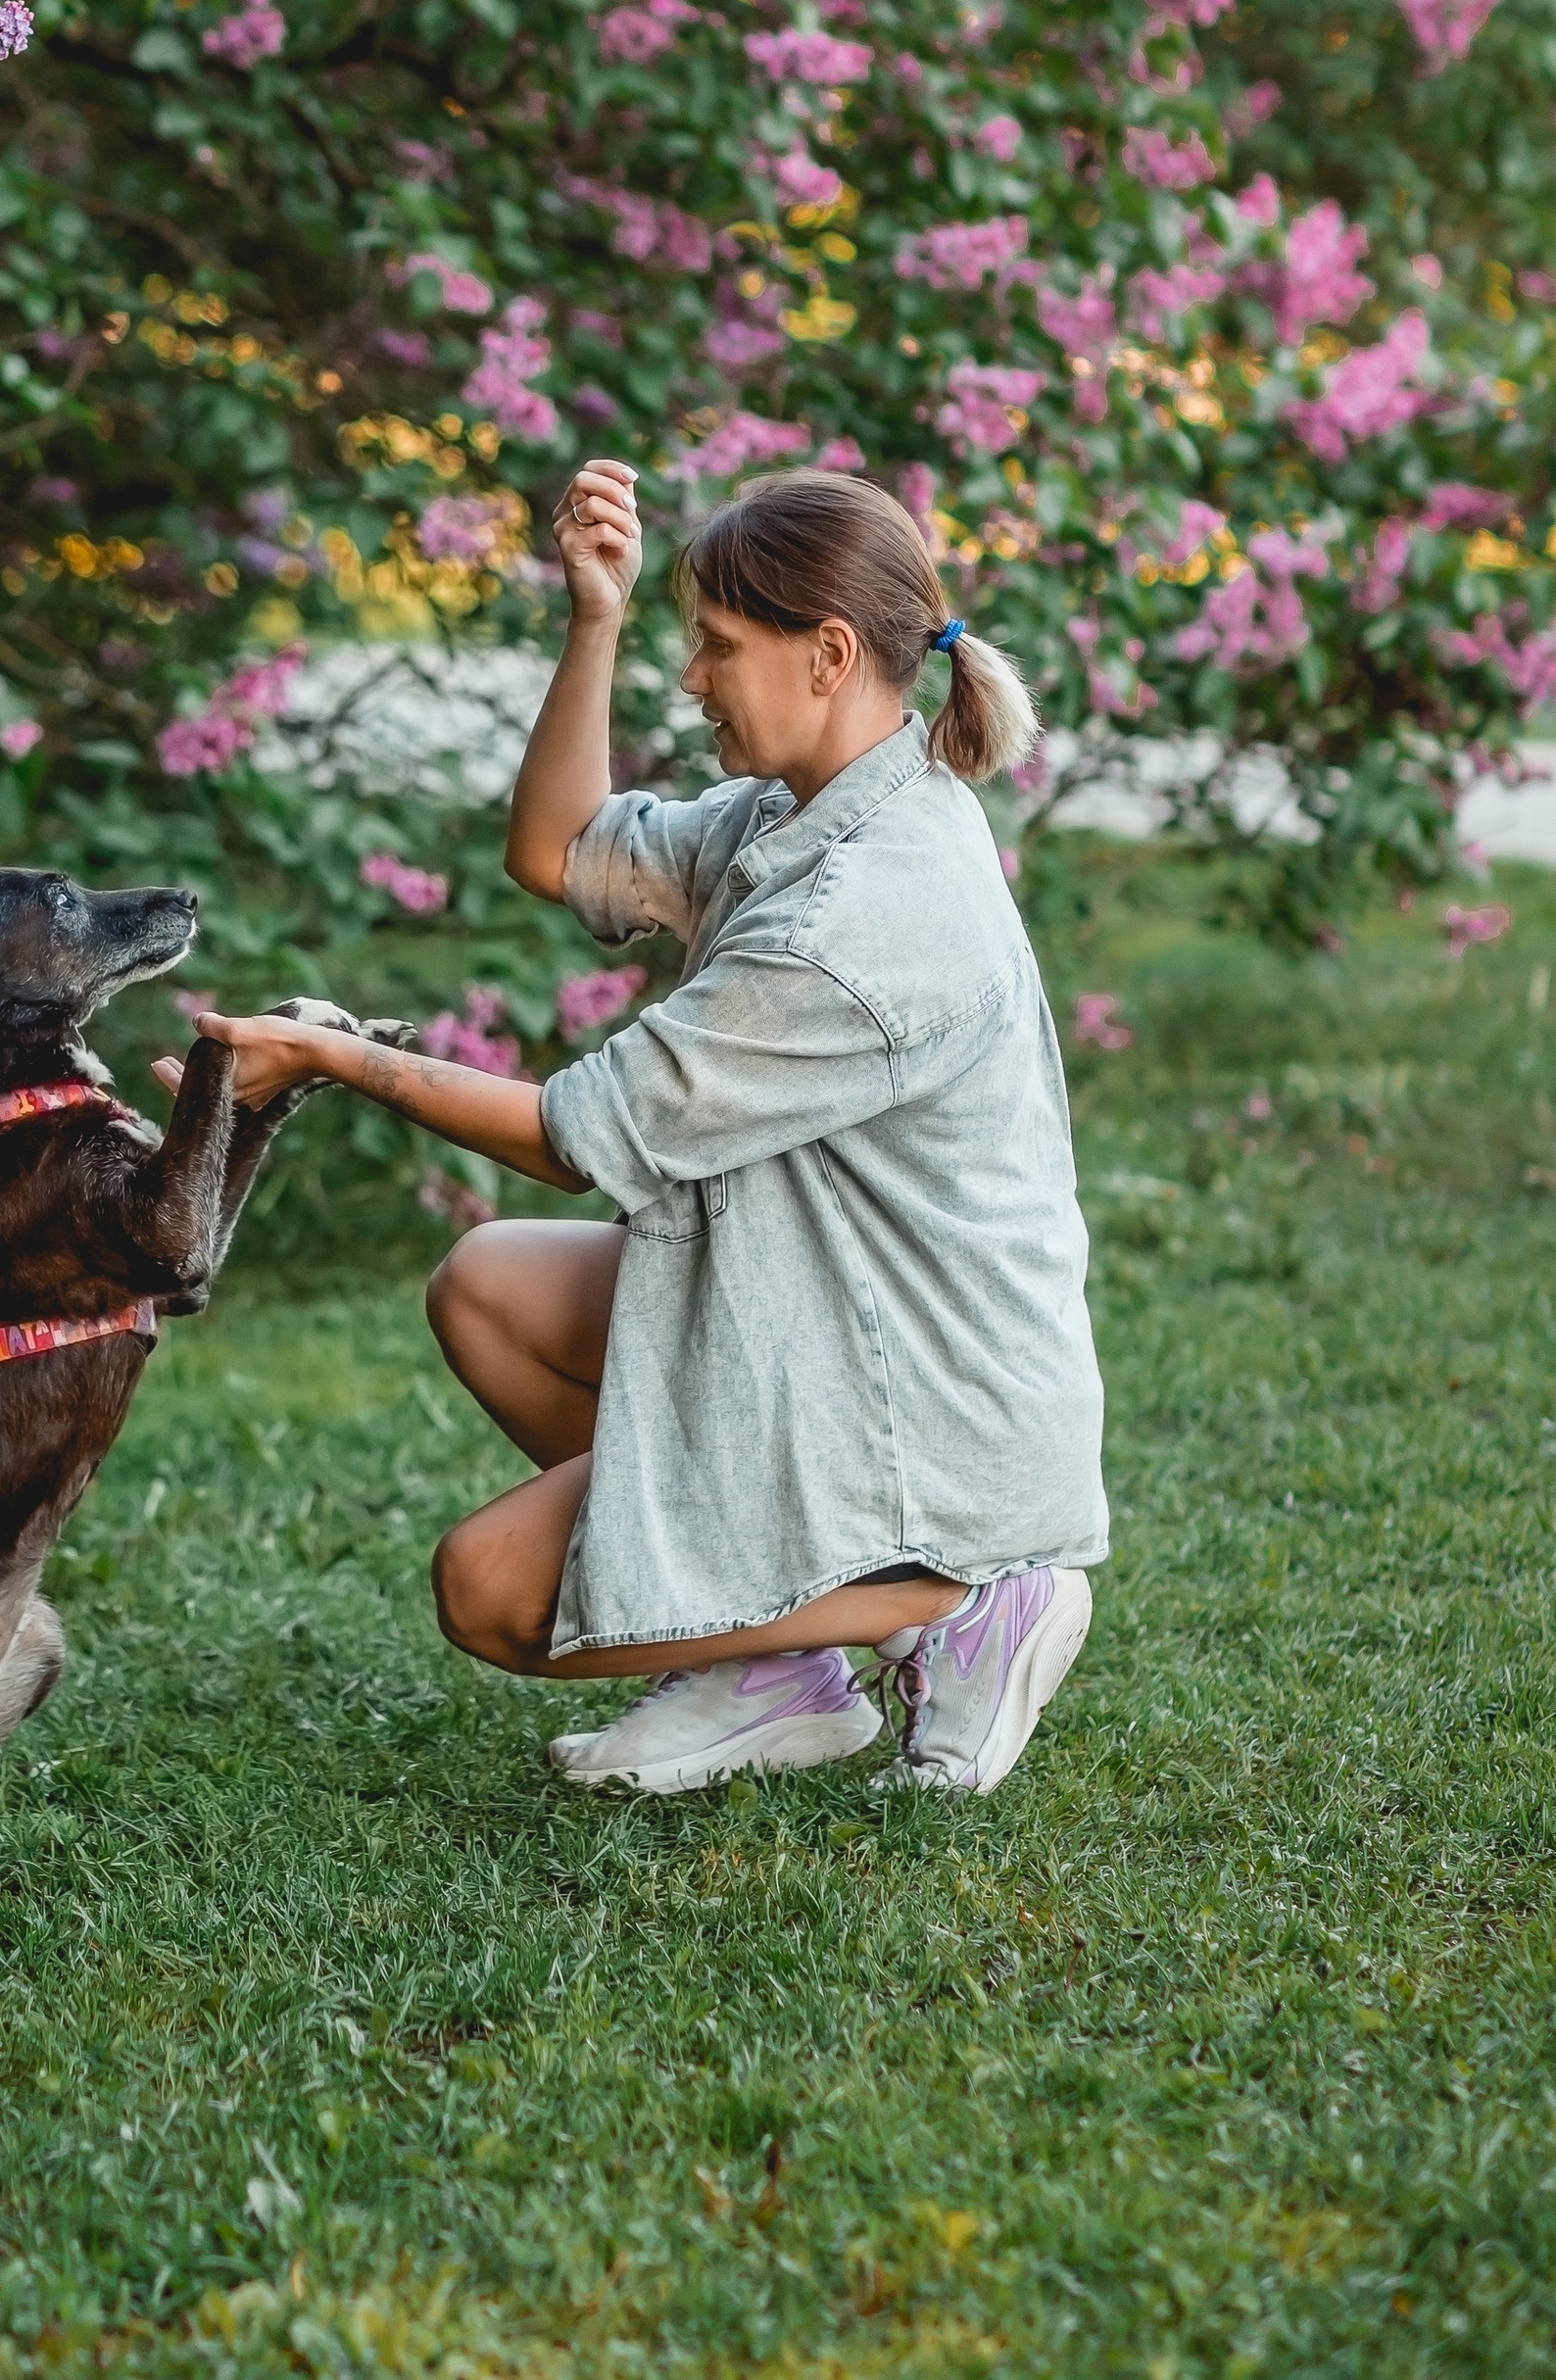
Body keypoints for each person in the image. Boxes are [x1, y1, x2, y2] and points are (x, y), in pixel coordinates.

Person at [175, 459, 1107, 1798]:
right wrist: (593, 617)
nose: (694, 677)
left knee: (490, 1588)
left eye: (718, 646)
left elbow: (580, 1140)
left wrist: (340, 1059)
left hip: (930, 1404)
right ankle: (774, 1663)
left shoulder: (866, 910)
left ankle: (960, 1600)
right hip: (818, 1320)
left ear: (829, 654)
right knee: (488, 1289)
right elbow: (557, 851)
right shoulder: (800, 810)